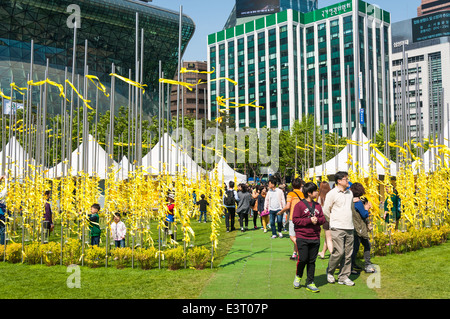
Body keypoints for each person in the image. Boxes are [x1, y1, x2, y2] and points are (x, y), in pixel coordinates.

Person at [292, 182, 326, 293]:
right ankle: (298, 276)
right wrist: (308, 220)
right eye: (315, 191)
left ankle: (310, 282)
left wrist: (317, 220)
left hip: (315, 237)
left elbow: (323, 219)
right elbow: (295, 220)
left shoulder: (318, 206)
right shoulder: (299, 205)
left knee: (312, 261)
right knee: (303, 259)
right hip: (302, 237)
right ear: (309, 193)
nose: (317, 192)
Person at [322, 171, 355, 286]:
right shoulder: (332, 193)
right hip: (337, 227)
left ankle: (344, 277)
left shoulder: (350, 193)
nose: (348, 181)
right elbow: (326, 210)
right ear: (339, 181)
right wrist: (333, 220)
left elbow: (351, 208)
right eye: (346, 179)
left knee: (348, 253)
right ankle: (330, 271)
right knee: (339, 252)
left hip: (349, 226)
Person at [350, 183, 376, 274]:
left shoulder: (352, 201)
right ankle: (367, 265)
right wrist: (367, 208)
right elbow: (364, 214)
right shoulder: (358, 203)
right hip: (359, 228)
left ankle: (352, 265)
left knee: (355, 247)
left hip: (354, 227)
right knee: (365, 245)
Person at [279, 178, 304, 260]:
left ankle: (302, 249)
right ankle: (294, 253)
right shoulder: (303, 194)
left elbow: (288, 206)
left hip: (293, 217)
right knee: (297, 236)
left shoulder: (291, 194)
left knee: (292, 236)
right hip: (302, 217)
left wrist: (281, 212)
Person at [317, 181, 332, 259]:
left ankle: (334, 257)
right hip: (333, 217)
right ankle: (323, 252)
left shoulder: (320, 197)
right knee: (328, 237)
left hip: (325, 218)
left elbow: (319, 207)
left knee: (329, 238)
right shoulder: (331, 195)